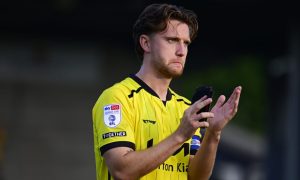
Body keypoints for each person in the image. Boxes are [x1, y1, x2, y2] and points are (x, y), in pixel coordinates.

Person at [92, 3, 242, 180]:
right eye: (172, 40)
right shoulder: (117, 98)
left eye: (185, 43)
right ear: (146, 43)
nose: (181, 51)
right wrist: (179, 135)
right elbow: (122, 171)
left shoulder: (187, 109)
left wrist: (213, 134)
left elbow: (196, 177)